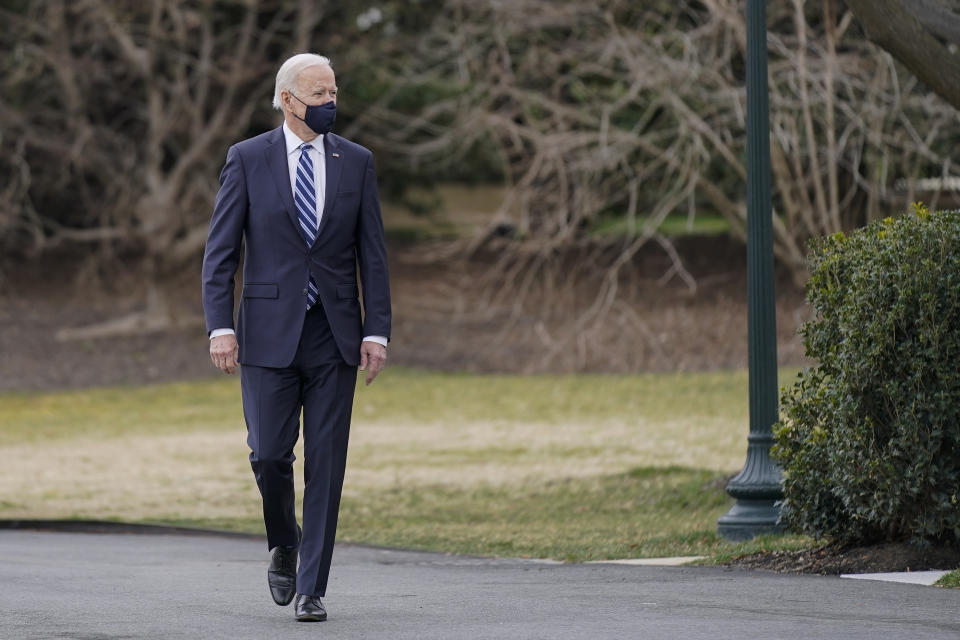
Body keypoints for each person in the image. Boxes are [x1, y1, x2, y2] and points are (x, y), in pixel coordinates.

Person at [201, 52, 391, 622]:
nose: (330, 101)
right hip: (264, 334)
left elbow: (373, 257)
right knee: (268, 454)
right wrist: (220, 325)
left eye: (334, 91)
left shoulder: (356, 161)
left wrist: (376, 330)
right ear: (288, 99)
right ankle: (284, 540)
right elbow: (221, 251)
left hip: (334, 334)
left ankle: (313, 586)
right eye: (319, 93)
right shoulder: (247, 158)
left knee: (327, 462)